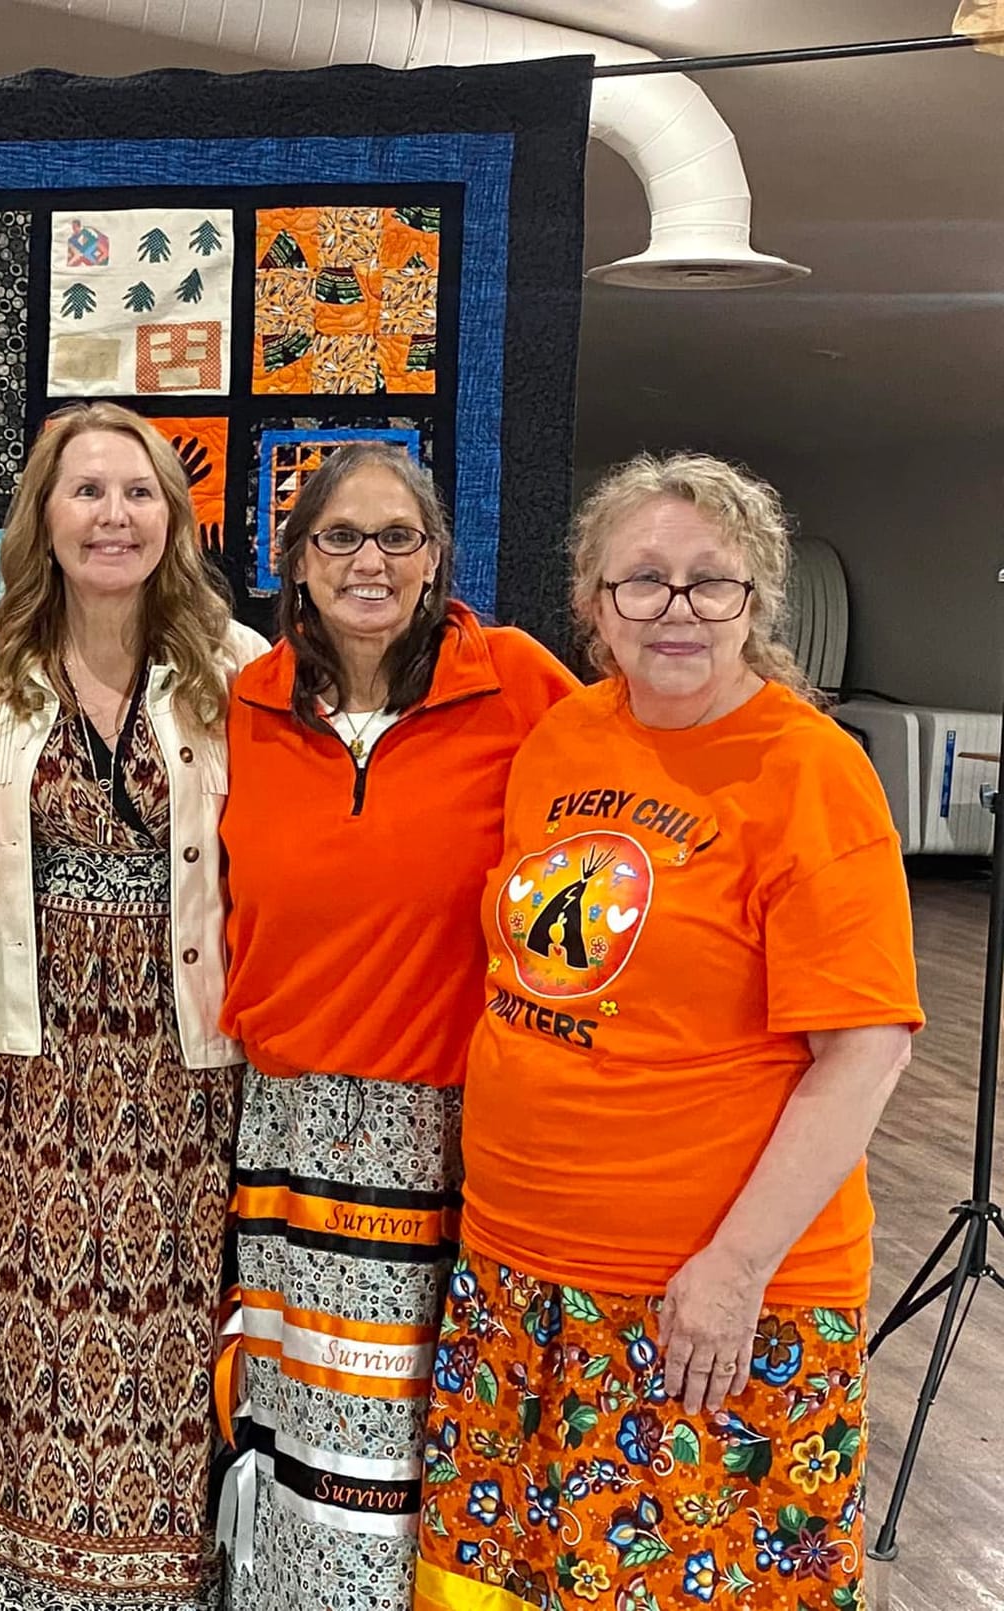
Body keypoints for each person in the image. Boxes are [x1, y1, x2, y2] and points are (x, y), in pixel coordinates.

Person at [413, 454, 919, 1611]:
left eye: (710, 582)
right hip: (518, 1279)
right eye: (642, 580)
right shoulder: (563, 739)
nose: (676, 609)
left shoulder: (809, 774)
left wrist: (731, 1272)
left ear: (756, 602)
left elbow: (864, 1051)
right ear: (591, 607)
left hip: (697, 1298)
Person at [214, 441, 577, 1611]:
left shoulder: (515, 683)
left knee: (393, 1429)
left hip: (435, 1126)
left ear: (434, 558)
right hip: (278, 1117)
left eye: (396, 538)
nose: (367, 562)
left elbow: (640, 777)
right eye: (339, 537)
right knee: (278, 1410)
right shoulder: (249, 701)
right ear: (295, 560)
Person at [0, 401, 266, 1611]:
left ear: (172, 519)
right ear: (44, 515)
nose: (112, 514)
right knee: (20, 1333)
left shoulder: (236, 668)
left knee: (171, 1341)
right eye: (86, 491)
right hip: (23, 1058)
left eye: (138, 492)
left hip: (182, 1064)